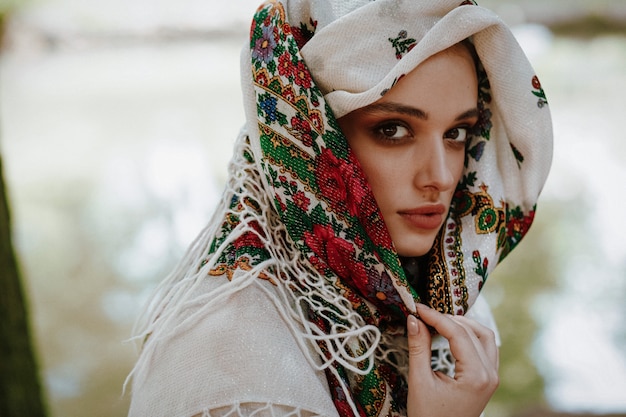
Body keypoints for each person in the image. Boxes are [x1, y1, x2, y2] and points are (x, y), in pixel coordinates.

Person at [126, 0, 553, 416]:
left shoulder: (440, 299)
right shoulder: (233, 362)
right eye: (393, 129)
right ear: (310, 133)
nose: (441, 176)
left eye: (457, 133)